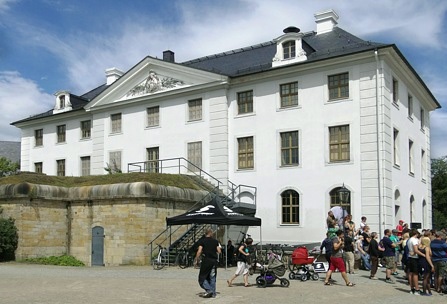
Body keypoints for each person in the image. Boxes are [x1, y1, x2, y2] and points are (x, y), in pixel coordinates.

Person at [194, 228, 221, 298]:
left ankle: (209, 290)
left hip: (206, 260)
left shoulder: (202, 241)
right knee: (212, 277)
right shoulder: (215, 241)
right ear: (210, 233)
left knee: (202, 277)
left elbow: (199, 251)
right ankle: (213, 293)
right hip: (213, 261)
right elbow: (219, 251)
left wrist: (196, 259)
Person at [407, 229, 424, 295]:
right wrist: (424, 255)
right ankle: (417, 289)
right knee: (415, 274)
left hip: (410, 257)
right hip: (414, 258)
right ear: (416, 234)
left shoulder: (410, 240)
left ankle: (412, 288)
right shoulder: (414, 240)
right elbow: (416, 250)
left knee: (411, 273)